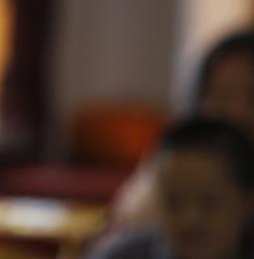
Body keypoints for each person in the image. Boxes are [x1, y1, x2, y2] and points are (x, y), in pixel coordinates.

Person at [112, 30, 254, 225]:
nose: (237, 112)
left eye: (251, 97)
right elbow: (134, 216)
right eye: (222, 96)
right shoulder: (176, 162)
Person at [87, 117, 254, 259]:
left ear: (247, 200)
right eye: (174, 202)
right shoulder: (126, 253)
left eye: (208, 203)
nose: (190, 218)